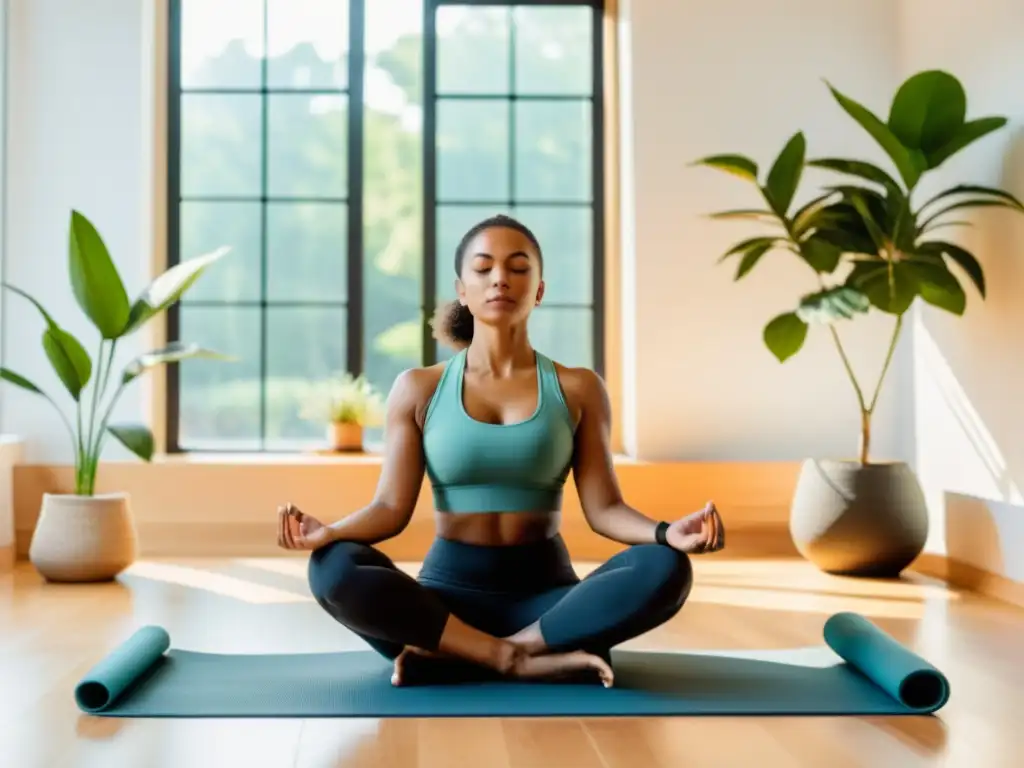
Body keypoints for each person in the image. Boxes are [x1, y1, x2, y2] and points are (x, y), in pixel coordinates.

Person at [277, 214, 725, 688]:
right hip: (443, 606)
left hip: (549, 604)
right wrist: (328, 533)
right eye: (484, 267)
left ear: (539, 289)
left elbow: (605, 508)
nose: (500, 279)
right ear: (462, 290)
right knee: (333, 567)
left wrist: (665, 532)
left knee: (665, 566)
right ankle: (513, 658)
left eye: (518, 267)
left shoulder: (579, 388)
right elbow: (390, 508)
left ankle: (480, 655)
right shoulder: (418, 388)